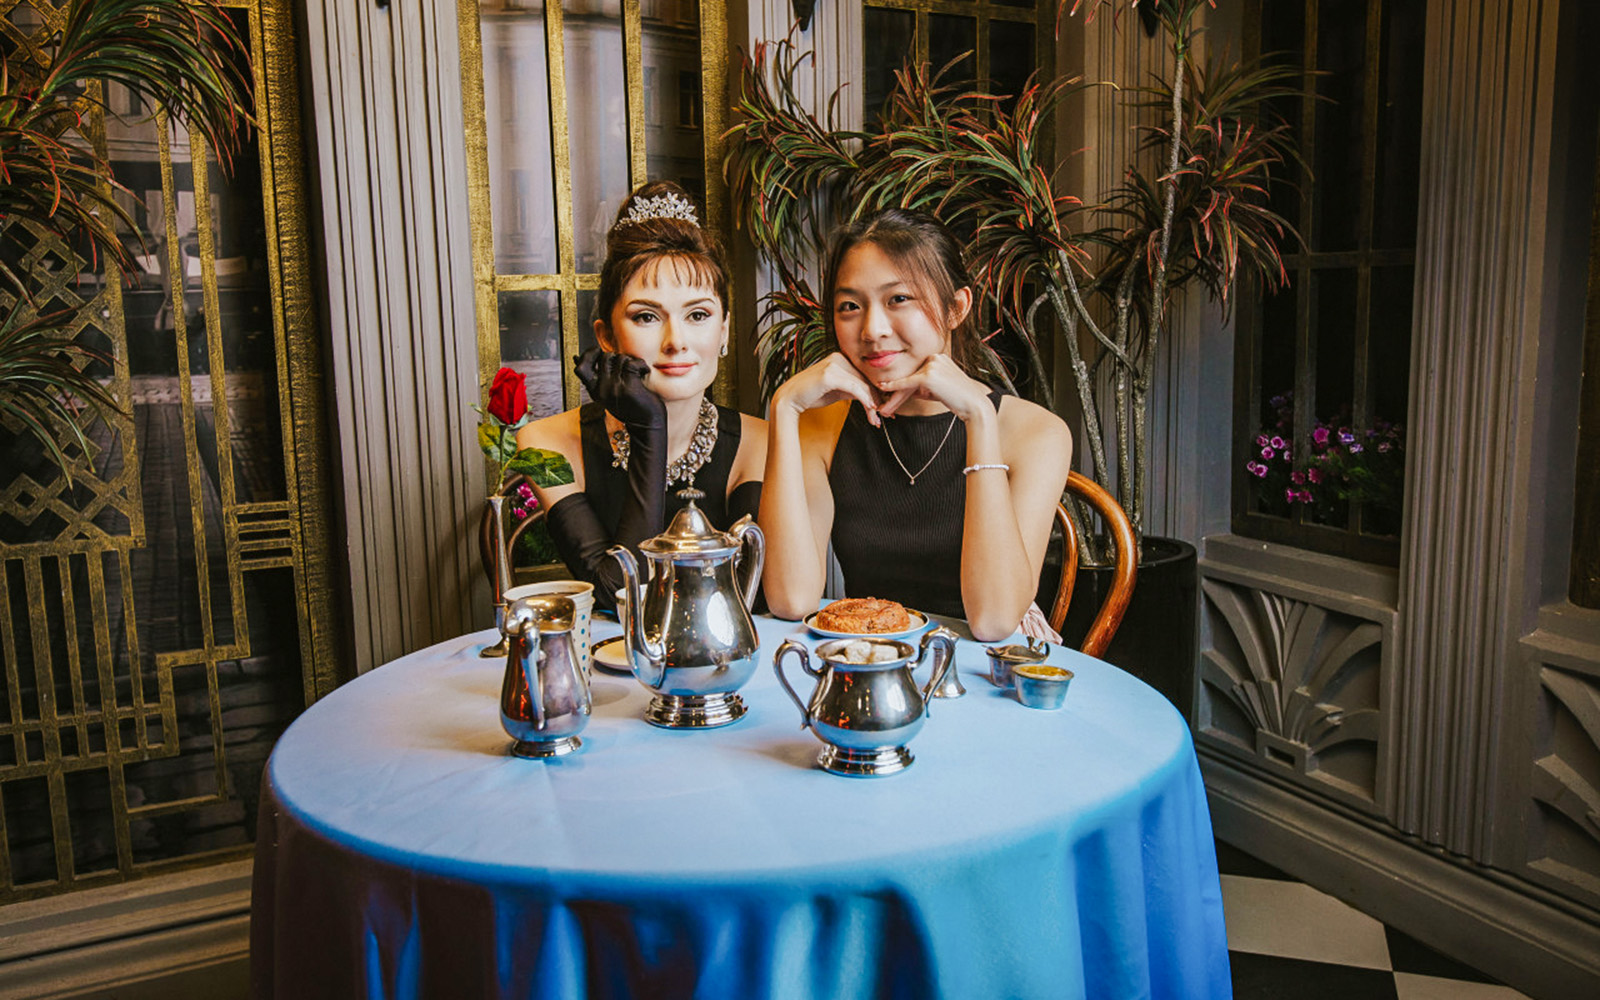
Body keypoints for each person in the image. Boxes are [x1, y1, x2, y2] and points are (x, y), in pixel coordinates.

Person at [759, 208, 1071, 642]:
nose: (872, 330)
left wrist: (978, 416)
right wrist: (785, 407)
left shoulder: (1037, 433)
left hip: (987, 670)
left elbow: (995, 620)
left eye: (898, 299)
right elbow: (791, 600)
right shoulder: (821, 427)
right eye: (850, 306)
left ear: (955, 307)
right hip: (869, 661)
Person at [517, 181, 765, 609]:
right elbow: (617, 594)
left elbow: (751, 599)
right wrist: (650, 428)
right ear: (607, 336)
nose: (676, 341)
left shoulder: (762, 443)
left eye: (699, 314)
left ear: (723, 330)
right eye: (647, 316)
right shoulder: (543, 444)